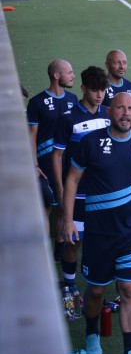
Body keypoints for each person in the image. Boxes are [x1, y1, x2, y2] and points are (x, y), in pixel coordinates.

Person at [61, 93, 131, 354]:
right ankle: (92, 337)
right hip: (99, 233)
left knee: (129, 288)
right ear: (109, 111)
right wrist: (68, 220)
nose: (126, 113)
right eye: (120, 108)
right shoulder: (91, 142)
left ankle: (130, 351)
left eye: (130, 108)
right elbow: (73, 179)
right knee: (95, 291)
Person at [52, 66, 110, 302]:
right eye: (95, 90)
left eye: (103, 90)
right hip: (76, 193)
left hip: (101, 193)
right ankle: (69, 285)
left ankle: (95, 290)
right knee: (73, 241)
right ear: (84, 88)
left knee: (98, 243)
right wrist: (60, 187)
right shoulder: (69, 119)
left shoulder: (108, 114)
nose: (99, 95)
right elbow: (57, 156)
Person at [26, 59, 78, 258]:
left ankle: (60, 249)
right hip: (45, 163)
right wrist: (33, 164)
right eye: (69, 72)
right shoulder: (37, 103)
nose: (73, 76)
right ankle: (42, 250)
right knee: (48, 205)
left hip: (68, 163)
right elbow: (31, 134)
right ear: (57, 76)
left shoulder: (73, 99)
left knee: (65, 205)